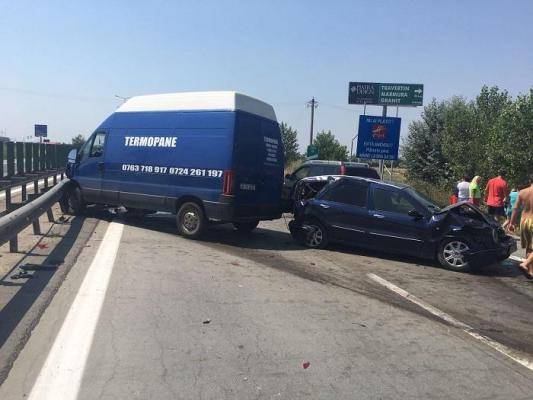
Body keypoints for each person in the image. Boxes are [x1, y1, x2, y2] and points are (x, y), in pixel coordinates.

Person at [509, 173, 533, 279]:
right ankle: (525, 263)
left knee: (529, 247)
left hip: (524, 220)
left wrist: (512, 223)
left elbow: (515, 209)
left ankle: (530, 272)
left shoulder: (522, 192)